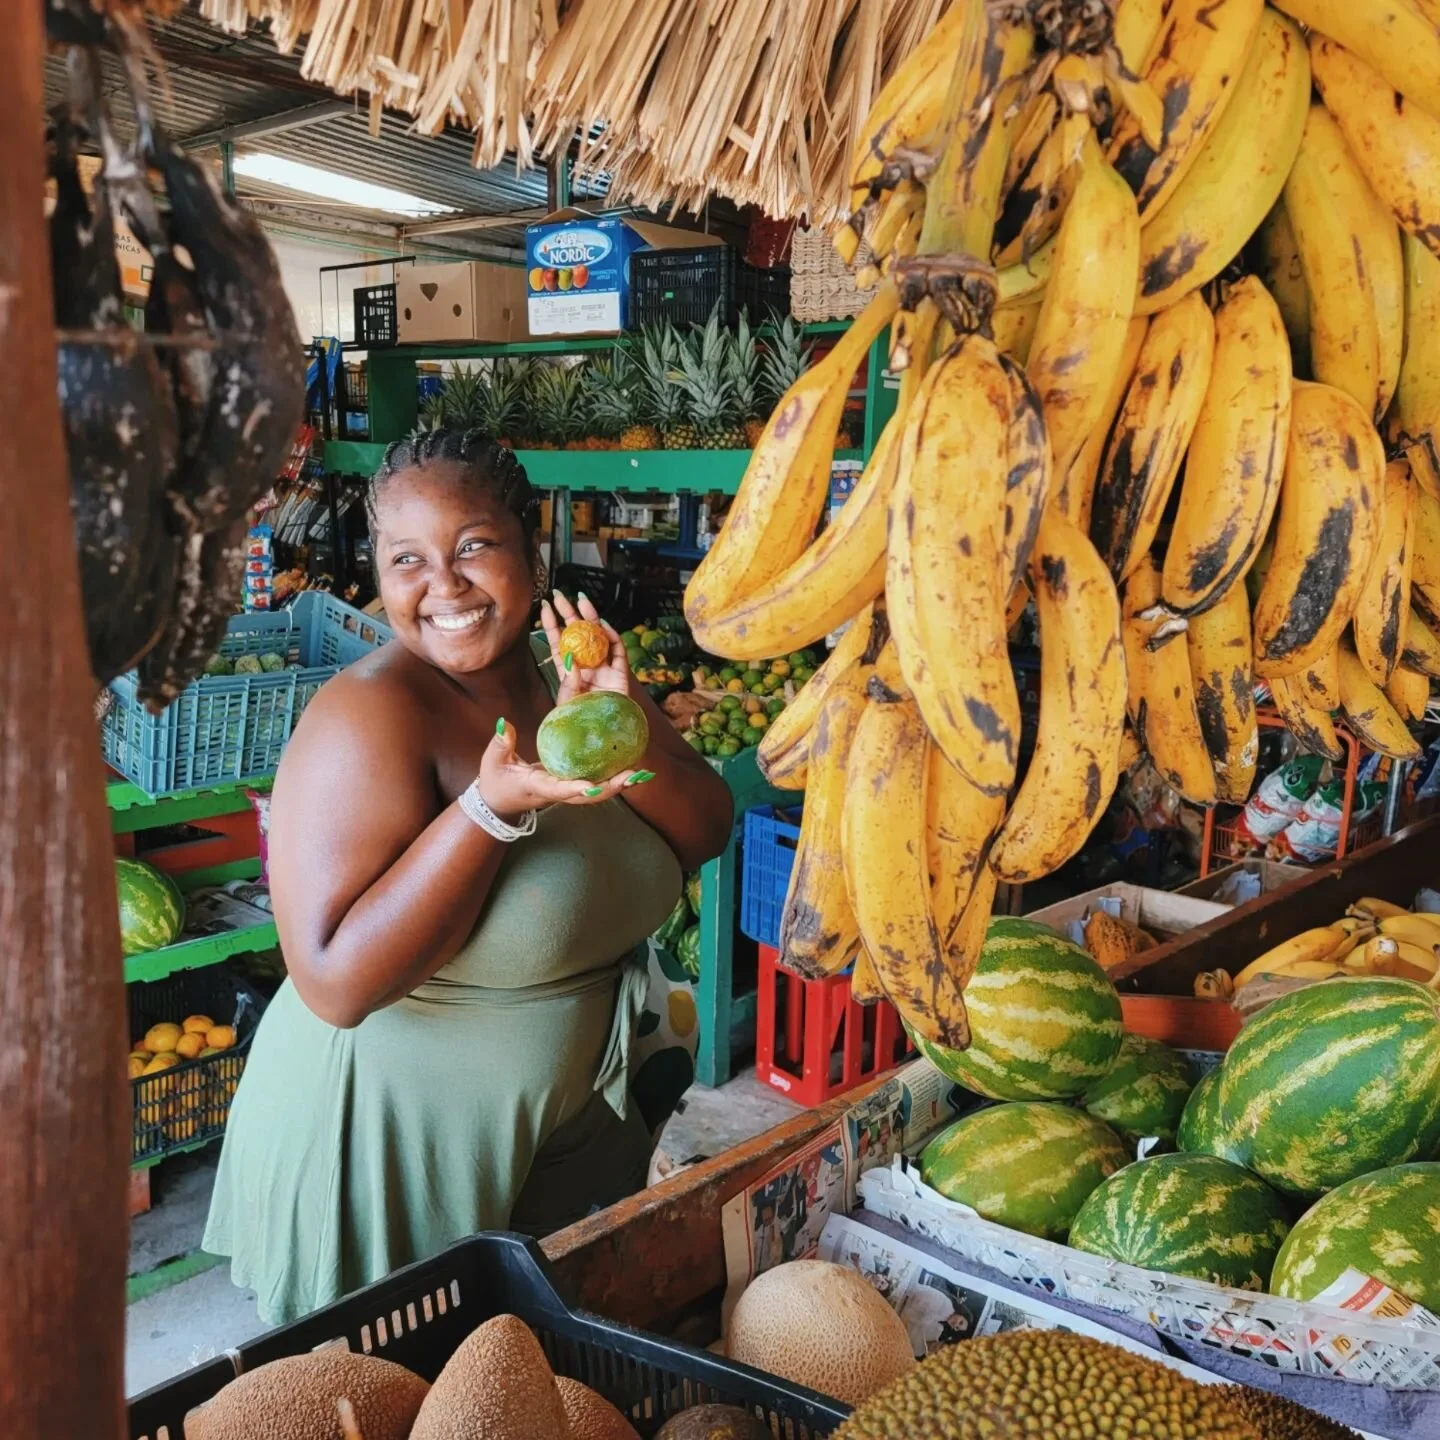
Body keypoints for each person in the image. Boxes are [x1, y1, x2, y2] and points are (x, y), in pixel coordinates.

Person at [205, 428, 733, 1323]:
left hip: (569, 1130)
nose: (442, 586)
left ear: (532, 547)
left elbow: (706, 830)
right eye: (406, 558)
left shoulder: (557, 685)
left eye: (473, 547)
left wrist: (625, 706)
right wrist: (487, 815)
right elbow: (334, 982)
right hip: (398, 1145)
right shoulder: (370, 717)